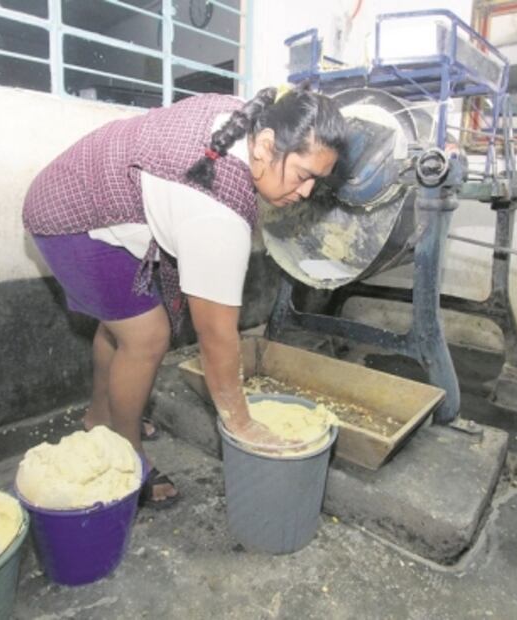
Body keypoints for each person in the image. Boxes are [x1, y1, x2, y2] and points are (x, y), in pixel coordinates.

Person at [23, 83, 348, 508]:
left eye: (316, 181)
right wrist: (241, 421)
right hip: (69, 214)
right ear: (266, 146)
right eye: (304, 175)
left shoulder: (247, 121)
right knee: (147, 337)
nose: (305, 192)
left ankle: (101, 418)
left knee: (122, 323)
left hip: (80, 187)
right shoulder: (217, 212)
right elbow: (216, 337)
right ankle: (127, 458)